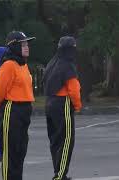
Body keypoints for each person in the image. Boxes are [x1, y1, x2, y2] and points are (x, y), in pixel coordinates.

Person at [0, 31, 35, 180]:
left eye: (27, 43)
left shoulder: (23, 64)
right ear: (14, 46)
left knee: (21, 151)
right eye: (23, 44)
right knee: (11, 153)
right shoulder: (9, 64)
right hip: (12, 110)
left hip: (24, 111)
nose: (27, 46)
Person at [42, 36, 82, 180]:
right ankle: (60, 175)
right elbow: (73, 89)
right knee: (67, 140)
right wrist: (77, 105)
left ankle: (57, 171)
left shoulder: (52, 63)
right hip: (62, 103)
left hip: (49, 103)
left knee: (55, 140)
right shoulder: (68, 64)